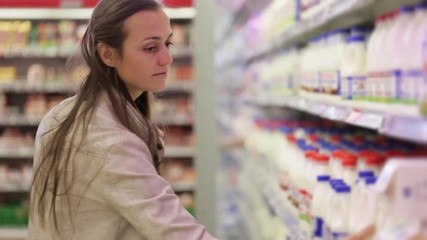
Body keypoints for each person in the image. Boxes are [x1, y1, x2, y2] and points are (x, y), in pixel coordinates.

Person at [28, 0, 216, 239]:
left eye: (167, 43)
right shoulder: (111, 143)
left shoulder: (59, 115)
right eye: (150, 48)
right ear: (108, 54)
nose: (167, 58)